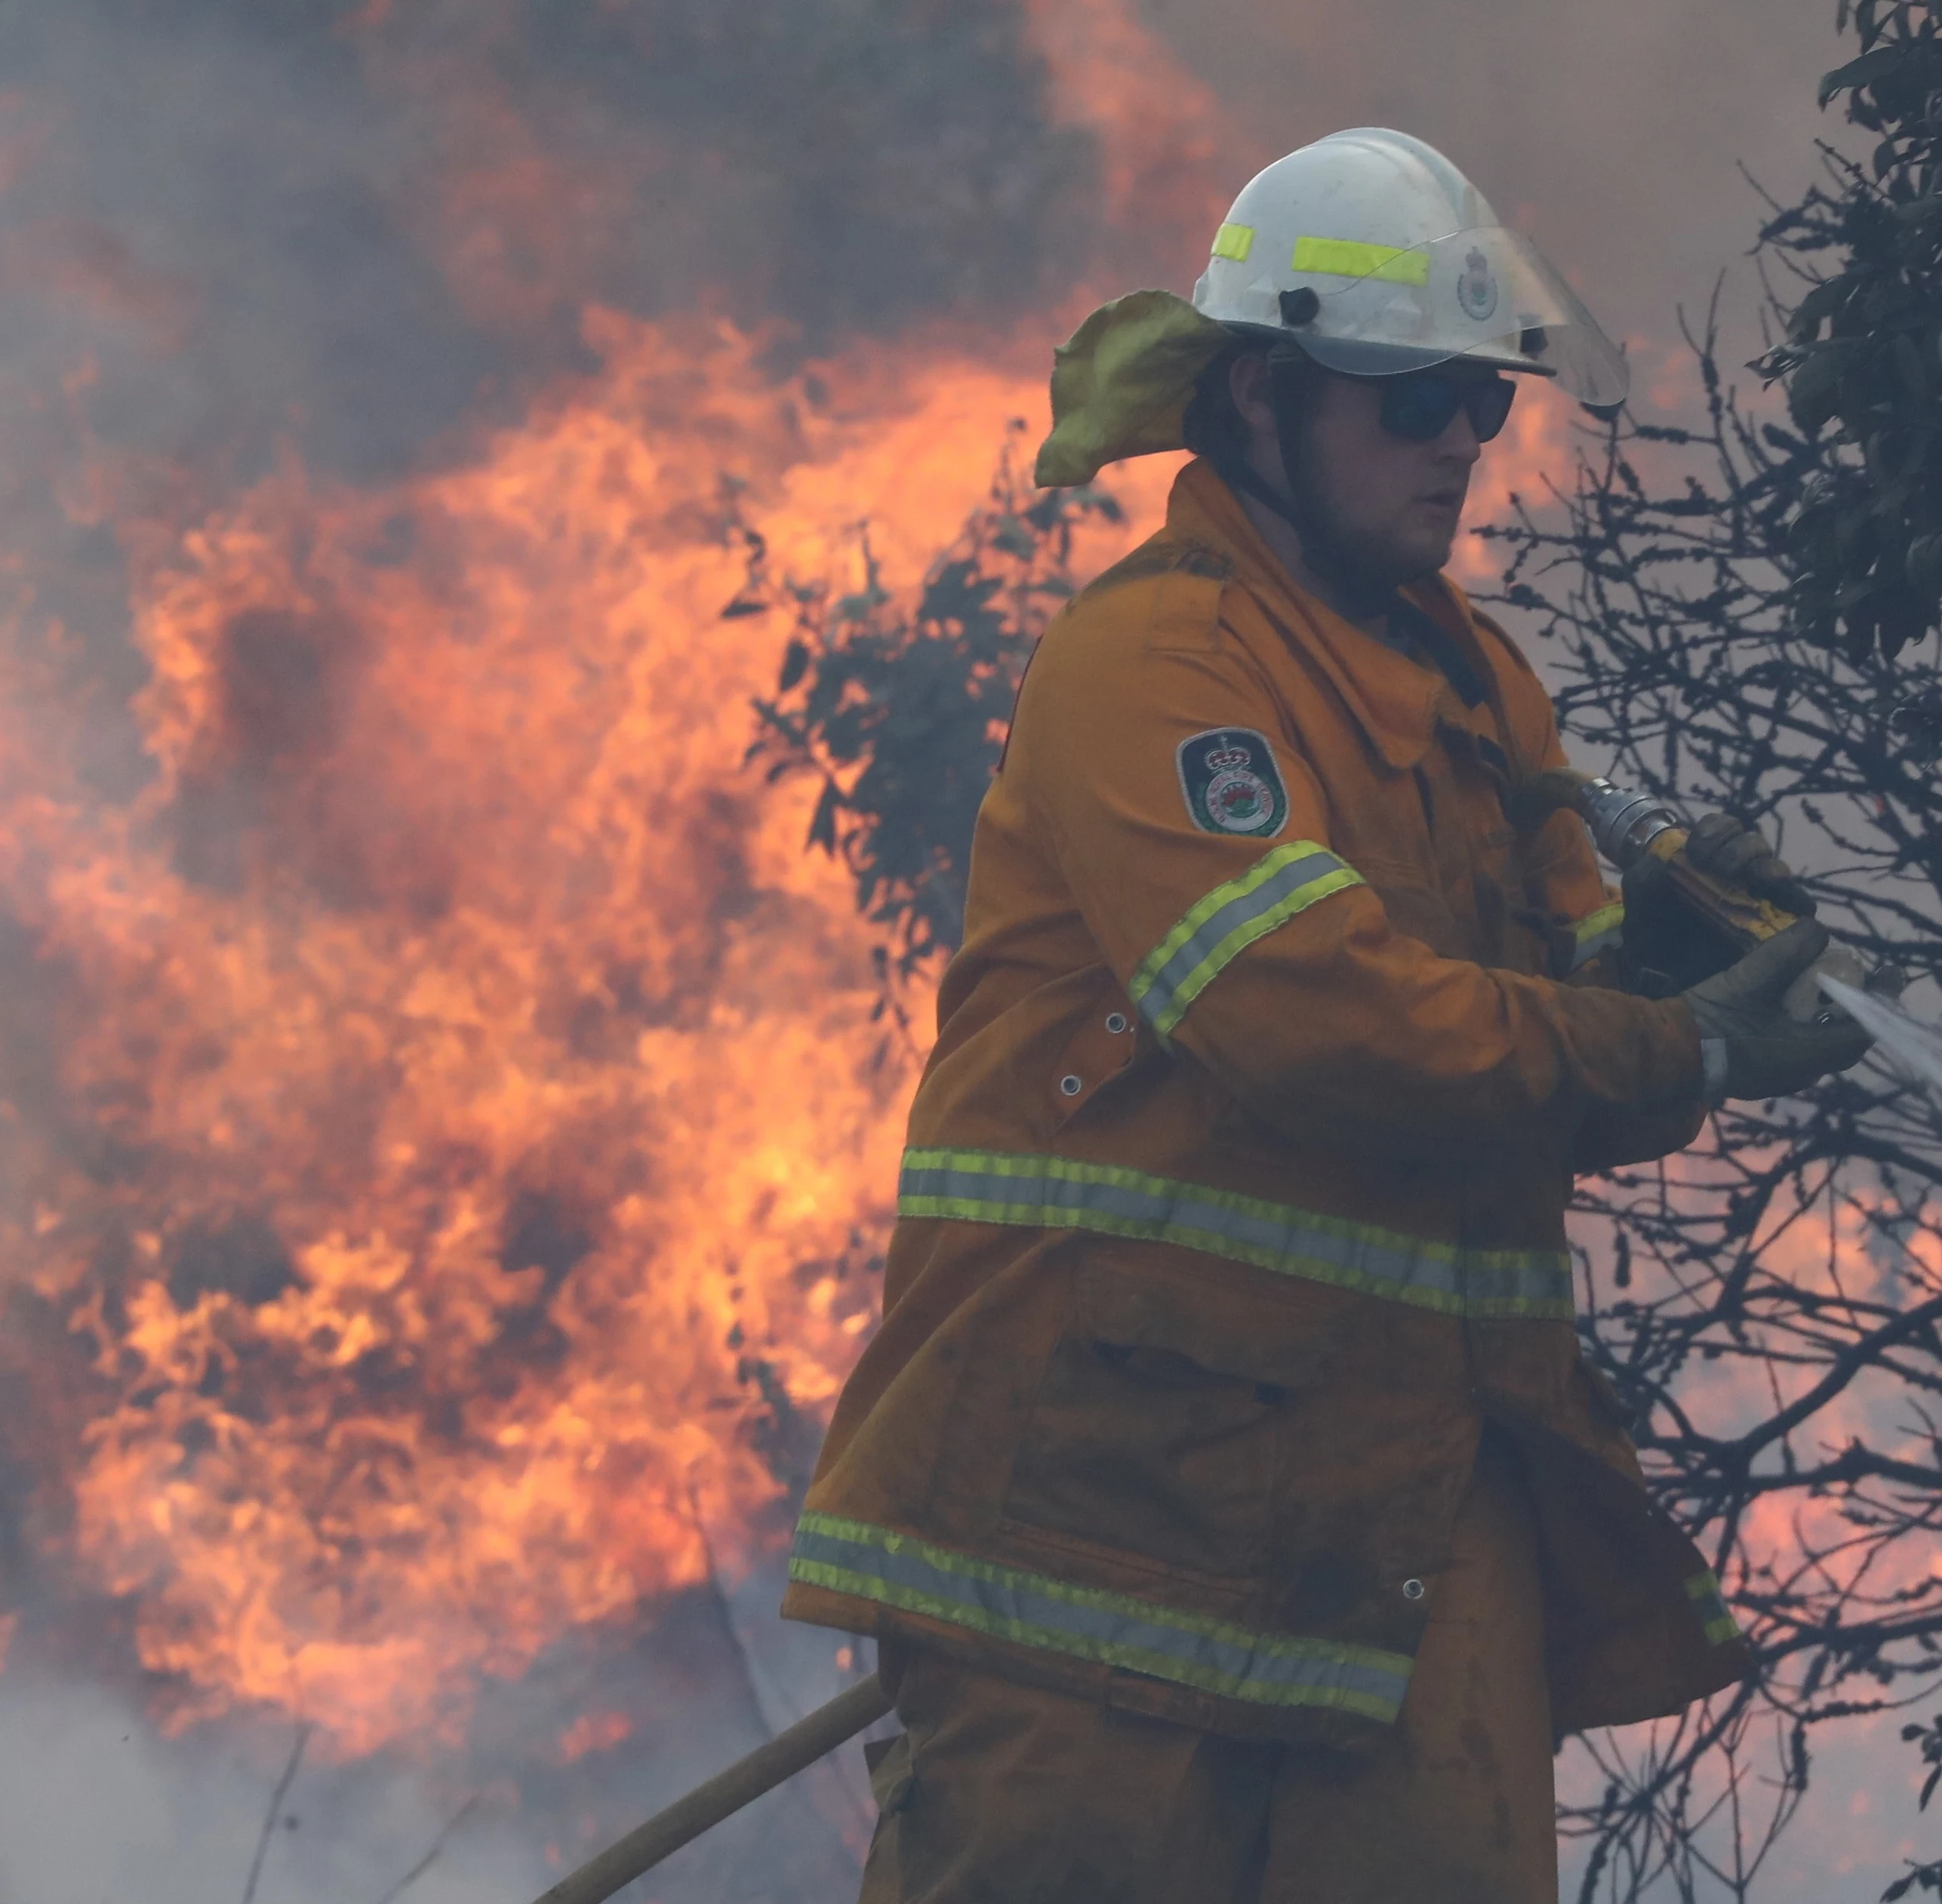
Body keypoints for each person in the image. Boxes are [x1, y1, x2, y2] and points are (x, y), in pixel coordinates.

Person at [778, 126, 1874, 1902]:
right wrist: (1681, 1046)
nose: (1458, 438)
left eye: (1483, 402)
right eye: (1412, 396)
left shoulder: (1474, 688)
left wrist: (1664, 976)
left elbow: (1554, 1047)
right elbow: (1307, 1017)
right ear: (1267, 398)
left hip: (1396, 1541)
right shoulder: (1158, 664)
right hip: (1102, 1535)